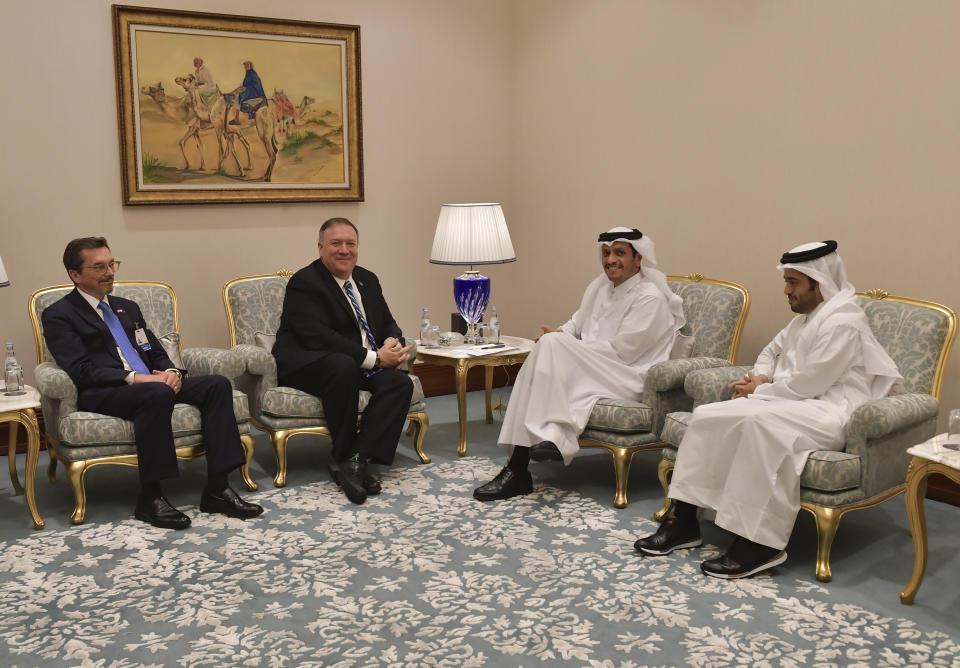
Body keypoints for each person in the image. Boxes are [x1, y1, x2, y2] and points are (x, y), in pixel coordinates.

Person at [634, 240, 901, 579]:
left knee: (760, 426)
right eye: (786, 281)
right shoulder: (805, 320)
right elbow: (770, 352)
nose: (786, 290)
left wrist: (761, 389)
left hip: (829, 412)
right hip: (791, 402)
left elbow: (811, 383)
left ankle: (760, 543)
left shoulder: (843, 321)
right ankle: (684, 521)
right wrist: (760, 375)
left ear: (819, 284)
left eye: (793, 283)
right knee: (708, 415)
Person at [42, 237, 263, 529]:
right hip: (104, 392)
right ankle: (150, 497)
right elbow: (81, 370)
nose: (109, 272)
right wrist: (138, 378)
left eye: (111, 264)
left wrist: (171, 371)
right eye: (99, 267)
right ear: (75, 274)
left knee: (217, 385)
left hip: (151, 384)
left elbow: (152, 350)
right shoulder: (59, 315)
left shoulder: (127, 307)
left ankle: (218, 488)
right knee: (156, 393)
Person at [473, 227, 686, 501]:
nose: (611, 260)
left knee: (553, 345)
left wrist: (564, 345)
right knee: (548, 344)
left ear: (639, 258)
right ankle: (525, 460)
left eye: (620, 253)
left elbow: (623, 352)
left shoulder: (650, 297)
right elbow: (575, 324)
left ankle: (526, 460)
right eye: (606, 253)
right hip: (598, 367)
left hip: (629, 376)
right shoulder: (600, 288)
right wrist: (558, 336)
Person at [273, 218, 414, 505]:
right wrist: (375, 359)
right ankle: (344, 452)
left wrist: (392, 342)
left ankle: (356, 461)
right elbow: (319, 338)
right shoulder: (305, 283)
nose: (344, 250)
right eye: (336, 244)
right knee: (342, 366)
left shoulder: (367, 279)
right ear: (321, 248)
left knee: (399, 382)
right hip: (308, 362)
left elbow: (387, 322)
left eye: (350, 244)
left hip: (357, 362)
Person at [232, 60, 267, 125]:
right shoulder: (248, 73)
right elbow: (245, 84)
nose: (245, 67)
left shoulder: (253, 74)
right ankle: (236, 118)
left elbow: (257, 85)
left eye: (246, 65)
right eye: (245, 66)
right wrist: (238, 89)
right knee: (237, 96)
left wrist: (245, 89)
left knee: (239, 96)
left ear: (250, 66)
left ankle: (237, 118)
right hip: (248, 92)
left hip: (254, 94)